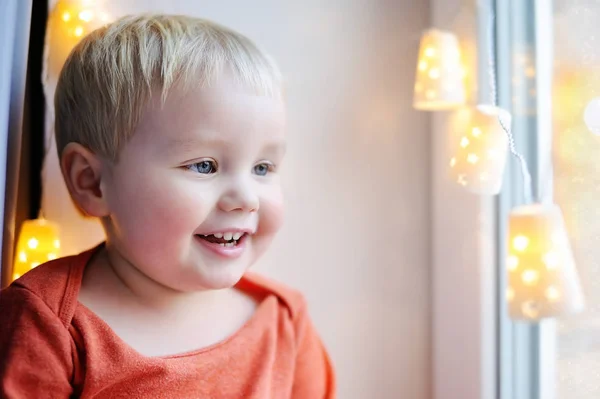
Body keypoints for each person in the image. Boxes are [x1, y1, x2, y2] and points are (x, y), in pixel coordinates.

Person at [0, 14, 335, 398]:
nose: (247, 198)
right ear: (92, 181)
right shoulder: (47, 326)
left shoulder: (285, 321)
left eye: (263, 167)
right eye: (204, 165)